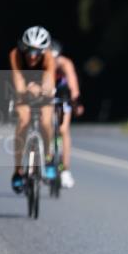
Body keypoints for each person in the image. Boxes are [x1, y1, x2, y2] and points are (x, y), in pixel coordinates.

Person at [8, 26, 55, 193]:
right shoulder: (15, 55)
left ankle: (48, 158)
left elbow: (49, 84)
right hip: (23, 89)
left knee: (46, 121)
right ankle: (18, 169)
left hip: (42, 90)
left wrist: (41, 89)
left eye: (37, 52)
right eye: (29, 51)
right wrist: (26, 90)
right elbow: (18, 80)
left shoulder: (49, 57)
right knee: (23, 120)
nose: (33, 56)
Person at [50, 39, 84, 189]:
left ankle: (65, 170)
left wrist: (76, 102)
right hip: (44, 93)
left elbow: (73, 84)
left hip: (61, 94)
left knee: (63, 130)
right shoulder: (39, 64)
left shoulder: (65, 63)